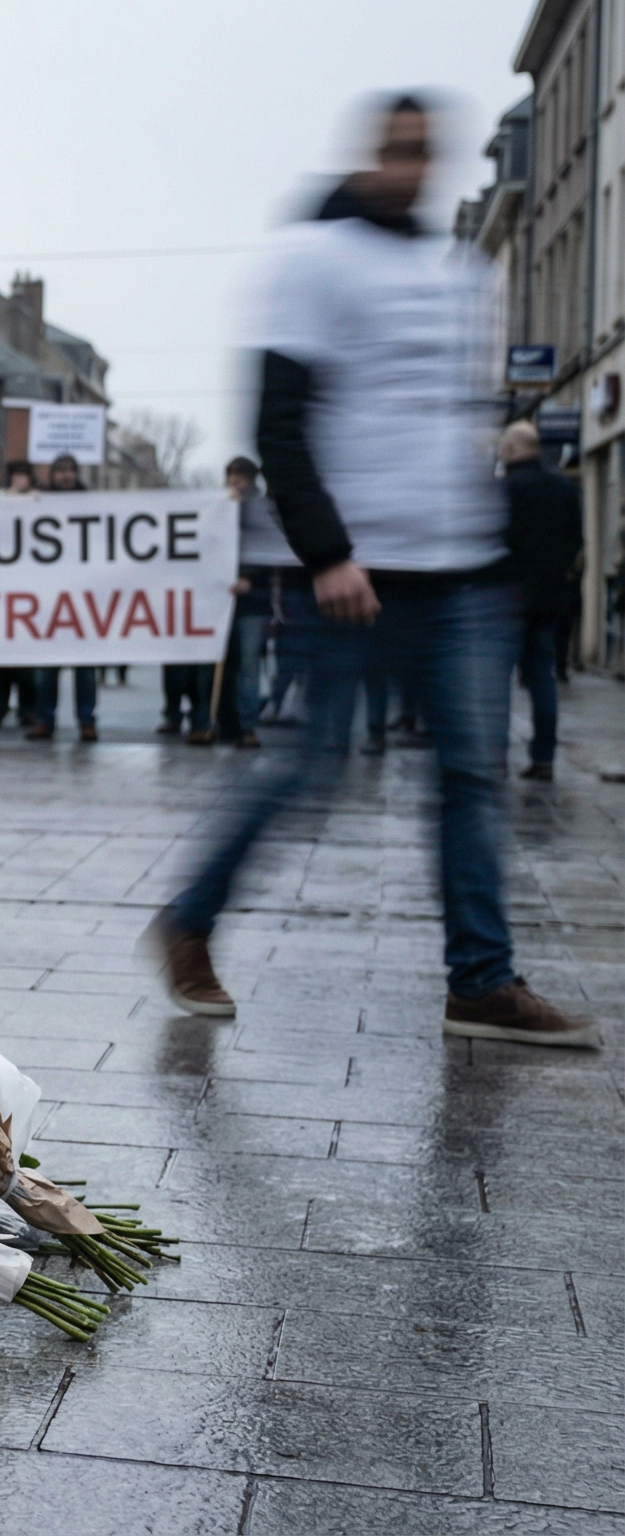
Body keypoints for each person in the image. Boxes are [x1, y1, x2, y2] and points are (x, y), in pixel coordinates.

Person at [151, 95, 592, 1045]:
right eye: (393, 150)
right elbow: (280, 420)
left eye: (423, 151)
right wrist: (328, 552)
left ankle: (480, 980)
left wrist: (493, 552)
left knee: (472, 777)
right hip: (349, 573)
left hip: (457, 571)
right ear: (367, 156)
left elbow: (449, 423)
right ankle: (190, 919)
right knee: (310, 768)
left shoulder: (461, 271)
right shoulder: (312, 261)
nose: (407, 167)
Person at [499, 421, 583, 782]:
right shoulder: (564, 488)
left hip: (504, 598)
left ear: (513, 450)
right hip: (549, 599)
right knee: (542, 677)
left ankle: (492, 755)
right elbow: (575, 540)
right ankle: (544, 757)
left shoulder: (503, 490)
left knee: (495, 680)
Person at [26, 453, 100, 742]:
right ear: (52, 474)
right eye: (60, 470)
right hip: (48, 597)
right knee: (46, 666)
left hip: (82, 598)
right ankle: (45, 719)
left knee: (85, 667)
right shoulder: (39, 502)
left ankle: (87, 720)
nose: (66, 475)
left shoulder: (91, 504)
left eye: (71, 470)